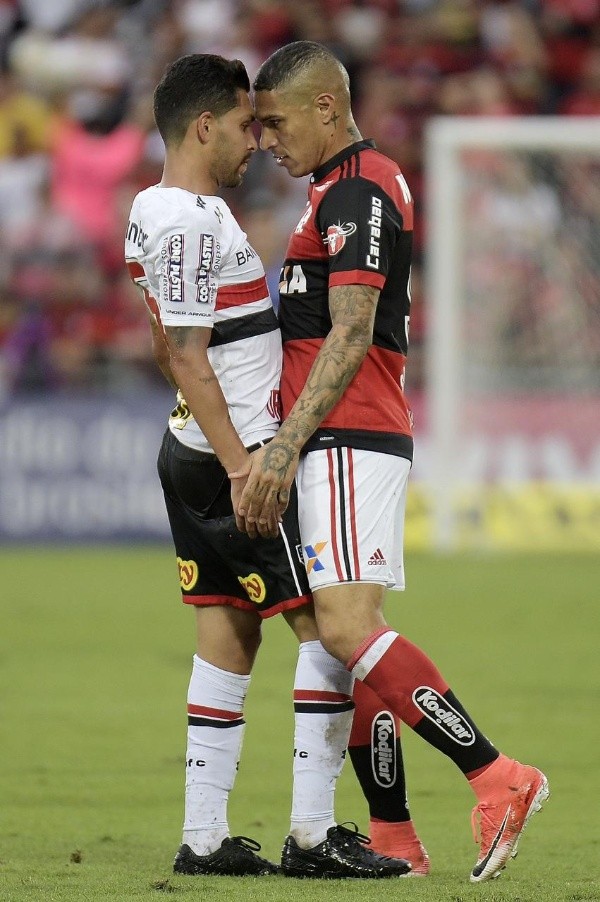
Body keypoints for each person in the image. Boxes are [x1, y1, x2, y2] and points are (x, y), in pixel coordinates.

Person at [235, 40, 550, 883]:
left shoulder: (361, 186)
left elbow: (352, 327)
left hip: (346, 432)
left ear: (326, 109)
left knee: (343, 628)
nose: (264, 138)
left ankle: (496, 775)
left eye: (275, 120)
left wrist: (285, 446)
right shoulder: (335, 188)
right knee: (350, 641)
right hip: (345, 436)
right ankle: (395, 836)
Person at [124, 53, 413, 879]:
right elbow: (184, 355)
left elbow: (164, 334)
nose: (256, 141)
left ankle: (205, 838)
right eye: (247, 125)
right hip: (234, 454)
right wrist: (244, 463)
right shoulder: (188, 218)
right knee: (330, 630)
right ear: (204, 126)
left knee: (227, 634)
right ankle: (315, 833)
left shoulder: (155, 210)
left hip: (194, 451)